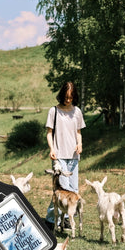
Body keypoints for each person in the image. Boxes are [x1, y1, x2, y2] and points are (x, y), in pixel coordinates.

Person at [45, 81, 86, 230]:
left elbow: (78, 132)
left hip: (73, 156)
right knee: (62, 189)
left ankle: (67, 219)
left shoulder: (77, 112)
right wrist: (52, 149)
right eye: (66, 97)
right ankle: (50, 220)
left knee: (74, 190)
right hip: (59, 156)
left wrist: (79, 144)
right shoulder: (54, 111)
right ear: (62, 95)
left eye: (71, 97)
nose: (68, 100)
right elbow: (49, 133)